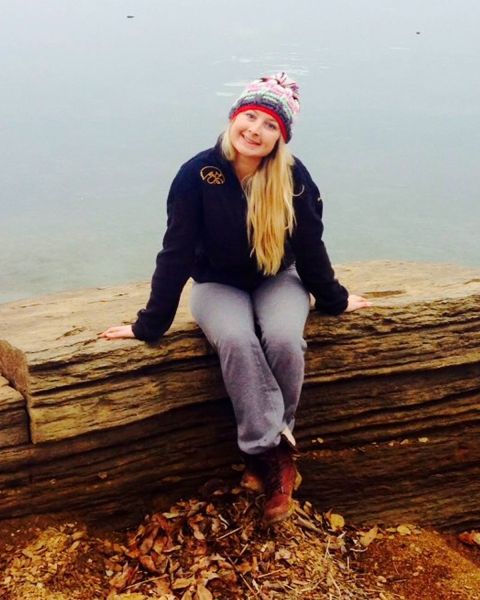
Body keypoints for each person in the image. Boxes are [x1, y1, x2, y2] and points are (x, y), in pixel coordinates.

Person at [100, 73, 371, 524]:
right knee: (237, 340)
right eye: (250, 117)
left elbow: (310, 245)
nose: (255, 130)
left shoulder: (293, 176)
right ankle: (274, 454)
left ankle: (265, 454)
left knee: (284, 339)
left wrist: (335, 300)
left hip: (277, 278)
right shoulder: (196, 175)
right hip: (216, 284)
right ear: (233, 118)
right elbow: (176, 252)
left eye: (270, 125)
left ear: (280, 137)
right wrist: (148, 325)